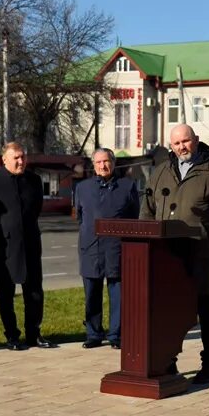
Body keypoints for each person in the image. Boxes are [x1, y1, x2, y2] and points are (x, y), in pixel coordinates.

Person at [143, 124, 209, 384]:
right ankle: (168, 361)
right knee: (167, 310)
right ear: (170, 145)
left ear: (196, 140)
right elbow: (148, 209)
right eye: (176, 144)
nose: (182, 147)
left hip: (200, 253)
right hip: (167, 256)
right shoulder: (161, 171)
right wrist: (144, 243)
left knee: (205, 308)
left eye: (186, 141)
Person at [0, 142, 51, 350]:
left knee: (34, 293)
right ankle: (12, 335)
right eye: (16, 158)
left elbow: (36, 208)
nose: (21, 161)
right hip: (4, 247)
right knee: (6, 294)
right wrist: (2, 232)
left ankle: (33, 333)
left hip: (30, 244)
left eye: (23, 157)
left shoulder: (34, 180)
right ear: (4, 160)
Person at [74, 148, 139, 349]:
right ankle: (93, 334)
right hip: (90, 248)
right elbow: (80, 216)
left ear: (113, 162)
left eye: (107, 161)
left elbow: (134, 216)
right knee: (91, 293)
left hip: (117, 249)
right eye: (99, 162)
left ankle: (116, 335)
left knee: (117, 294)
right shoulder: (82, 188)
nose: (103, 166)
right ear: (93, 165)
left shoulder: (127, 187)